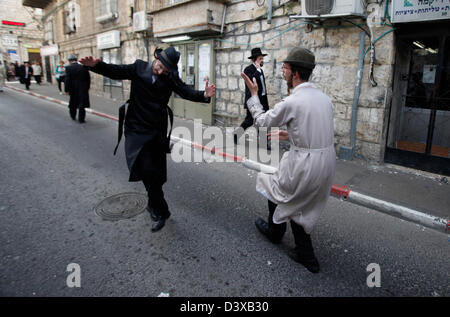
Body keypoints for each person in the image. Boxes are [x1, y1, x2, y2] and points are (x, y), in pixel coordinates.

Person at [79, 46, 216, 232]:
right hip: (136, 130)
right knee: (145, 170)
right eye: (159, 66)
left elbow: (185, 91)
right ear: (156, 58)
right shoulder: (138, 67)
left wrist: (204, 95)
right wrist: (96, 66)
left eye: (164, 70)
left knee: (156, 175)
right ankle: (161, 210)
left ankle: (154, 205)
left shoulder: (170, 78)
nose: (160, 72)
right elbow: (116, 71)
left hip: (156, 132)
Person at [241, 47, 336, 273]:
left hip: (305, 164)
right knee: (299, 202)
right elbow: (316, 130)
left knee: (270, 184)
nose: (282, 72)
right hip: (326, 162)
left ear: (295, 73)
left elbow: (262, 122)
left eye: (285, 68)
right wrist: (290, 135)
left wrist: (253, 96)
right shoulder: (324, 99)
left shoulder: (293, 101)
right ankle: (307, 256)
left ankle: (275, 232)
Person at [234, 48, 270, 148]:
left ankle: (264, 143)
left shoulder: (260, 70)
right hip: (253, 101)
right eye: (260, 58)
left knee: (263, 121)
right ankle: (237, 134)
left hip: (263, 100)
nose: (262, 60)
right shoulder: (248, 70)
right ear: (254, 60)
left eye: (262, 58)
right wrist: (258, 70)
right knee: (249, 121)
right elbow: (252, 81)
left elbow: (262, 86)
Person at [65, 54, 91, 123]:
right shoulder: (83, 67)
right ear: (76, 60)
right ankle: (81, 119)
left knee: (73, 103)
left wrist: (66, 89)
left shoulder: (68, 68)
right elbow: (88, 78)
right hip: (83, 88)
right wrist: (87, 87)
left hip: (73, 88)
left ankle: (73, 116)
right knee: (82, 103)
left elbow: (67, 79)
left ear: (70, 61)